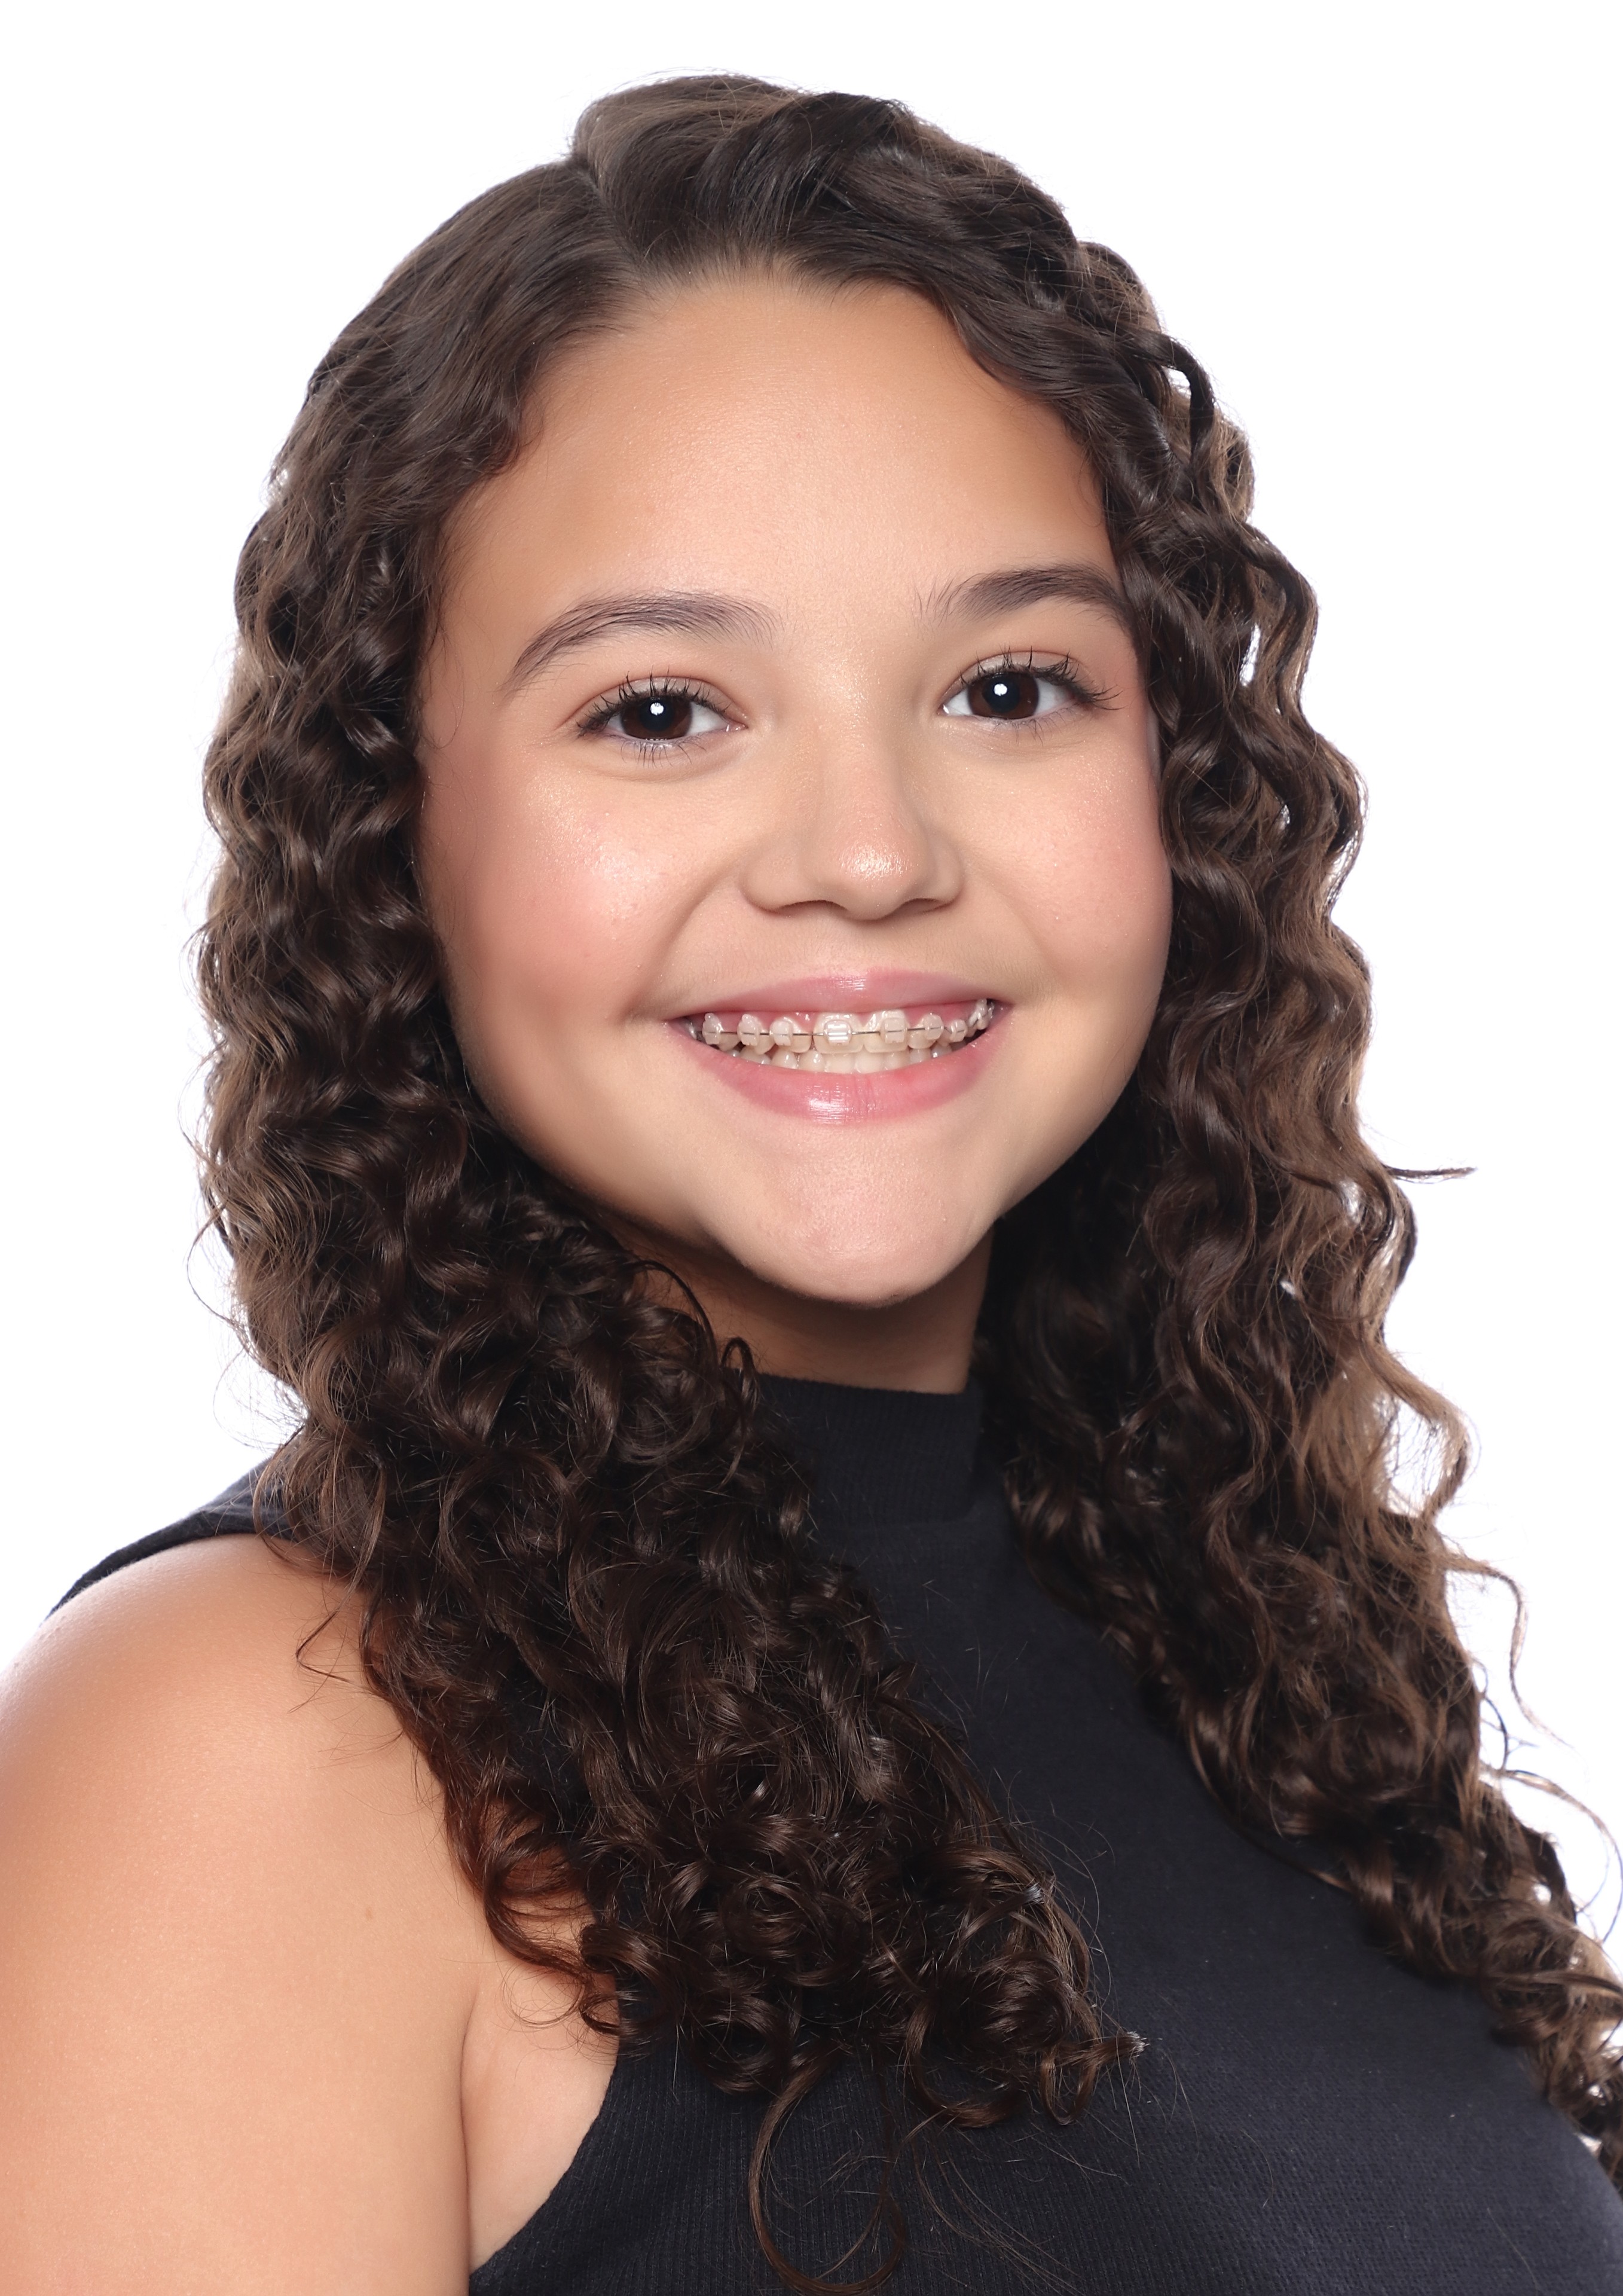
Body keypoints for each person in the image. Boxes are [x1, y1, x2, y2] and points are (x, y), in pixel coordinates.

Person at [1, 73, 1619, 2294]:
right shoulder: (260, 1741)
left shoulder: (1259, 1678)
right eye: (660, 712)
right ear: (395, 836)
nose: (867, 853)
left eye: (1008, 686)